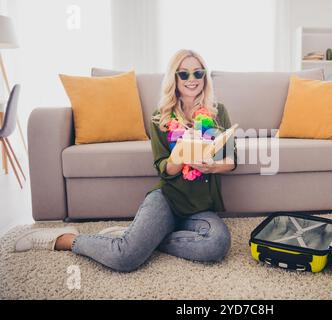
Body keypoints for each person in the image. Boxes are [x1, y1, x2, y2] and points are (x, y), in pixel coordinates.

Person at [14, 49, 238, 272]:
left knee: (217, 244)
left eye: (198, 74)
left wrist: (212, 166)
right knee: (125, 258)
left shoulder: (218, 112)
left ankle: (141, 239)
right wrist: (179, 158)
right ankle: (66, 239)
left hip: (201, 208)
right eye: (184, 74)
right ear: (174, 78)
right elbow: (163, 168)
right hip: (168, 200)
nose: (192, 80)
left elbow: (231, 160)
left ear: (205, 77)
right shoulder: (160, 118)